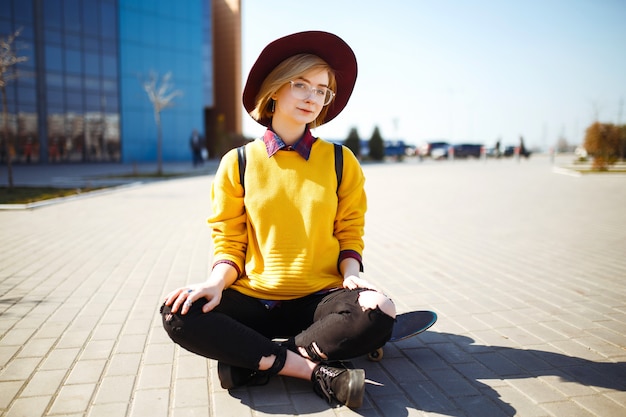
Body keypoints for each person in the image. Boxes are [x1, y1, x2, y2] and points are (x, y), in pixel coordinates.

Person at [160, 31, 396, 409]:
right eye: (300, 84)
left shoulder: (340, 160)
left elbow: (349, 230)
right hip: (254, 302)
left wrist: (352, 273)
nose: (311, 97)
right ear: (273, 90)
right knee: (179, 313)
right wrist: (214, 284)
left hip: (318, 302)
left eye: (321, 90)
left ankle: (255, 362)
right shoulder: (237, 163)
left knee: (379, 311)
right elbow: (229, 240)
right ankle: (314, 371)